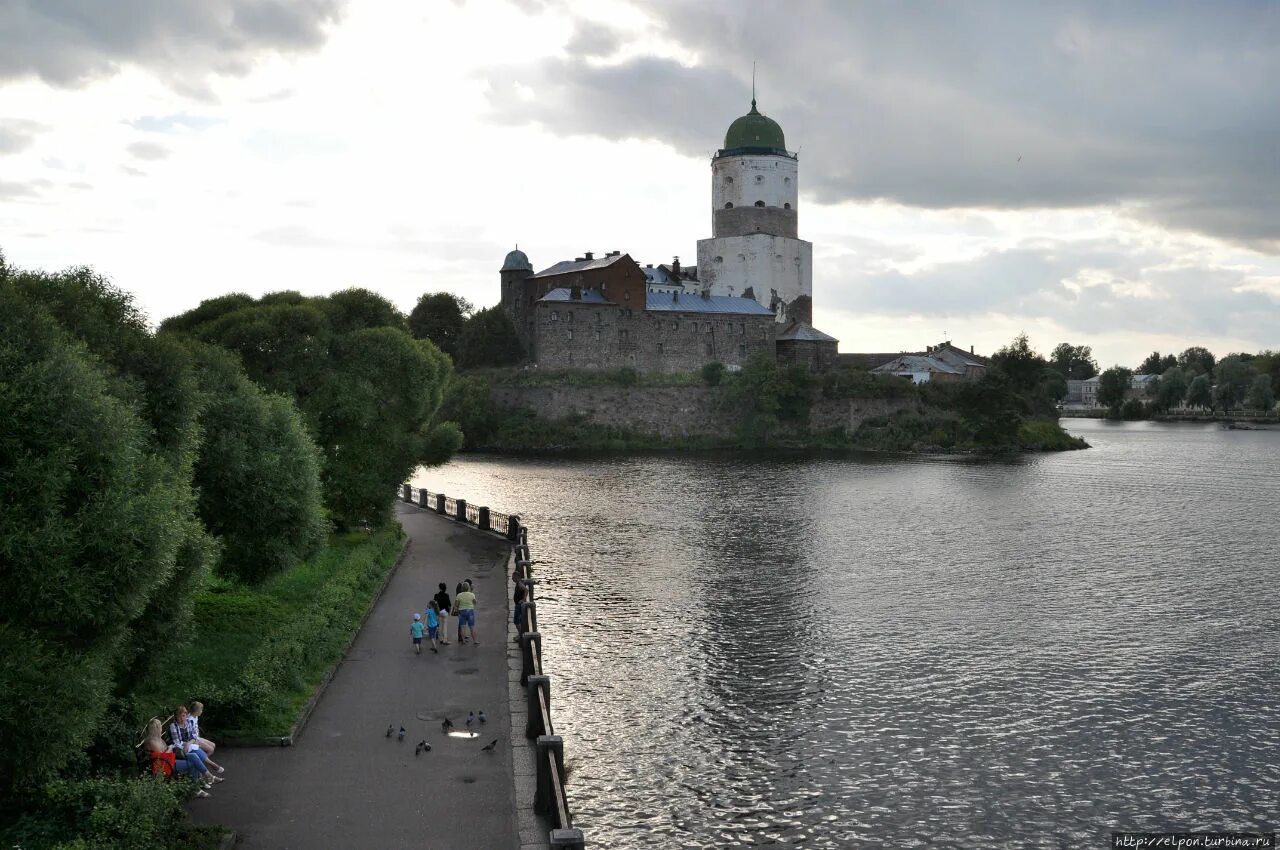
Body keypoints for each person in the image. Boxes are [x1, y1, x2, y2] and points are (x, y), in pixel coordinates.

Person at [147, 718, 212, 797]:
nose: (161, 728)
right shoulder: (152, 742)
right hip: (164, 764)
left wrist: (170, 748)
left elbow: (165, 751)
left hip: (170, 759)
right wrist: (170, 748)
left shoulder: (158, 739)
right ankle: (197, 788)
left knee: (193, 756)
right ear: (156, 729)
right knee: (193, 764)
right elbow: (163, 756)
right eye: (160, 726)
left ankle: (204, 777)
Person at [170, 706, 221, 784]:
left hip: (190, 745)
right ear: (176, 717)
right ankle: (210, 773)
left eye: (183, 716)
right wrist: (187, 744)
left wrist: (189, 743)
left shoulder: (189, 722)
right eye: (179, 716)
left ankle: (208, 776)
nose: (181, 718)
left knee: (196, 752)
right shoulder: (173, 726)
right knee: (196, 754)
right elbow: (177, 742)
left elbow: (194, 736)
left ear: (186, 715)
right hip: (180, 749)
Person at [186, 701, 225, 773]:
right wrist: (198, 741)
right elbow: (190, 735)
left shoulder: (195, 716)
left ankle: (201, 762)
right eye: (201, 709)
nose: (202, 711)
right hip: (193, 740)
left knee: (213, 745)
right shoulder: (189, 720)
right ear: (196, 710)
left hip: (197, 737)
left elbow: (196, 729)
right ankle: (200, 765)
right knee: (211, 750)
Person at [455, 580, 478, 645]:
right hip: (470, 611)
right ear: (468, 588)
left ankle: (463, 641)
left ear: (462, 588)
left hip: (461, 612)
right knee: (472, 627)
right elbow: (475, 603)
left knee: (462, 627)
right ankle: (475, 641)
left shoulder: (459, 595)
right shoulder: (472, 594)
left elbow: (456, 604)